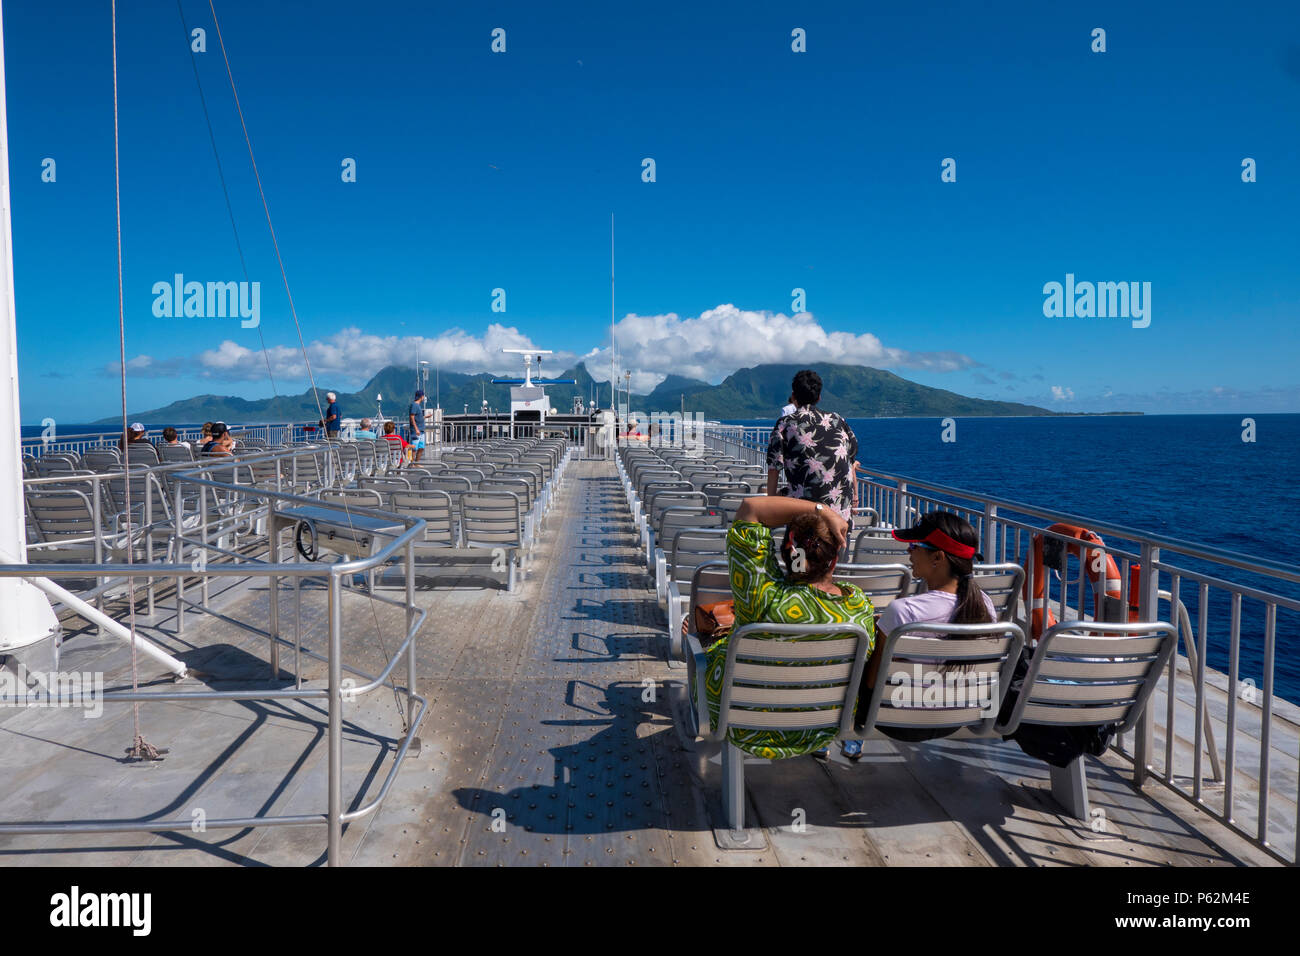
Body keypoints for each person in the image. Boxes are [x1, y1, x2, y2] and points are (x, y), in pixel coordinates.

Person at [704, 494, 875, 762]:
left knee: (702, 643)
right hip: (820, 728)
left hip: (743, 725)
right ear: (833, 558)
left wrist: (820, 510)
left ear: (786, 554)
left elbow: (751, 508)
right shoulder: (858, 609)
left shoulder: (762, 597)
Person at [857, 511, 996, 744]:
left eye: (914, 546)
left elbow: (872, 683)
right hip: (956, 717)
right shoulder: (986, 606)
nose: (909, 552)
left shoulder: (903, 612)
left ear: (938, 557)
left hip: (897, 719)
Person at [766, 369, 859, 524]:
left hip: (803, 515)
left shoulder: (785, 424)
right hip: (840, 518)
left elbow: (773, 468)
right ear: (819, 397)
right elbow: (852, 453)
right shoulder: (838, 420)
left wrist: (769, 505)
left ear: (794, 397)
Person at [407, 390, 426, 463]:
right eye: (423, 396)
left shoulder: (418, 406)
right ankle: (411, 463)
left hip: (421, 430)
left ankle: (416, 463)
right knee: (414, 448)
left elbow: (418, 417)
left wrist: (425, 417)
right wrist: (416, 429)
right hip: (416, 431)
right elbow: (412, 417)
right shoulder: (414, 405)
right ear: (421, 396)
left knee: (421, 448)